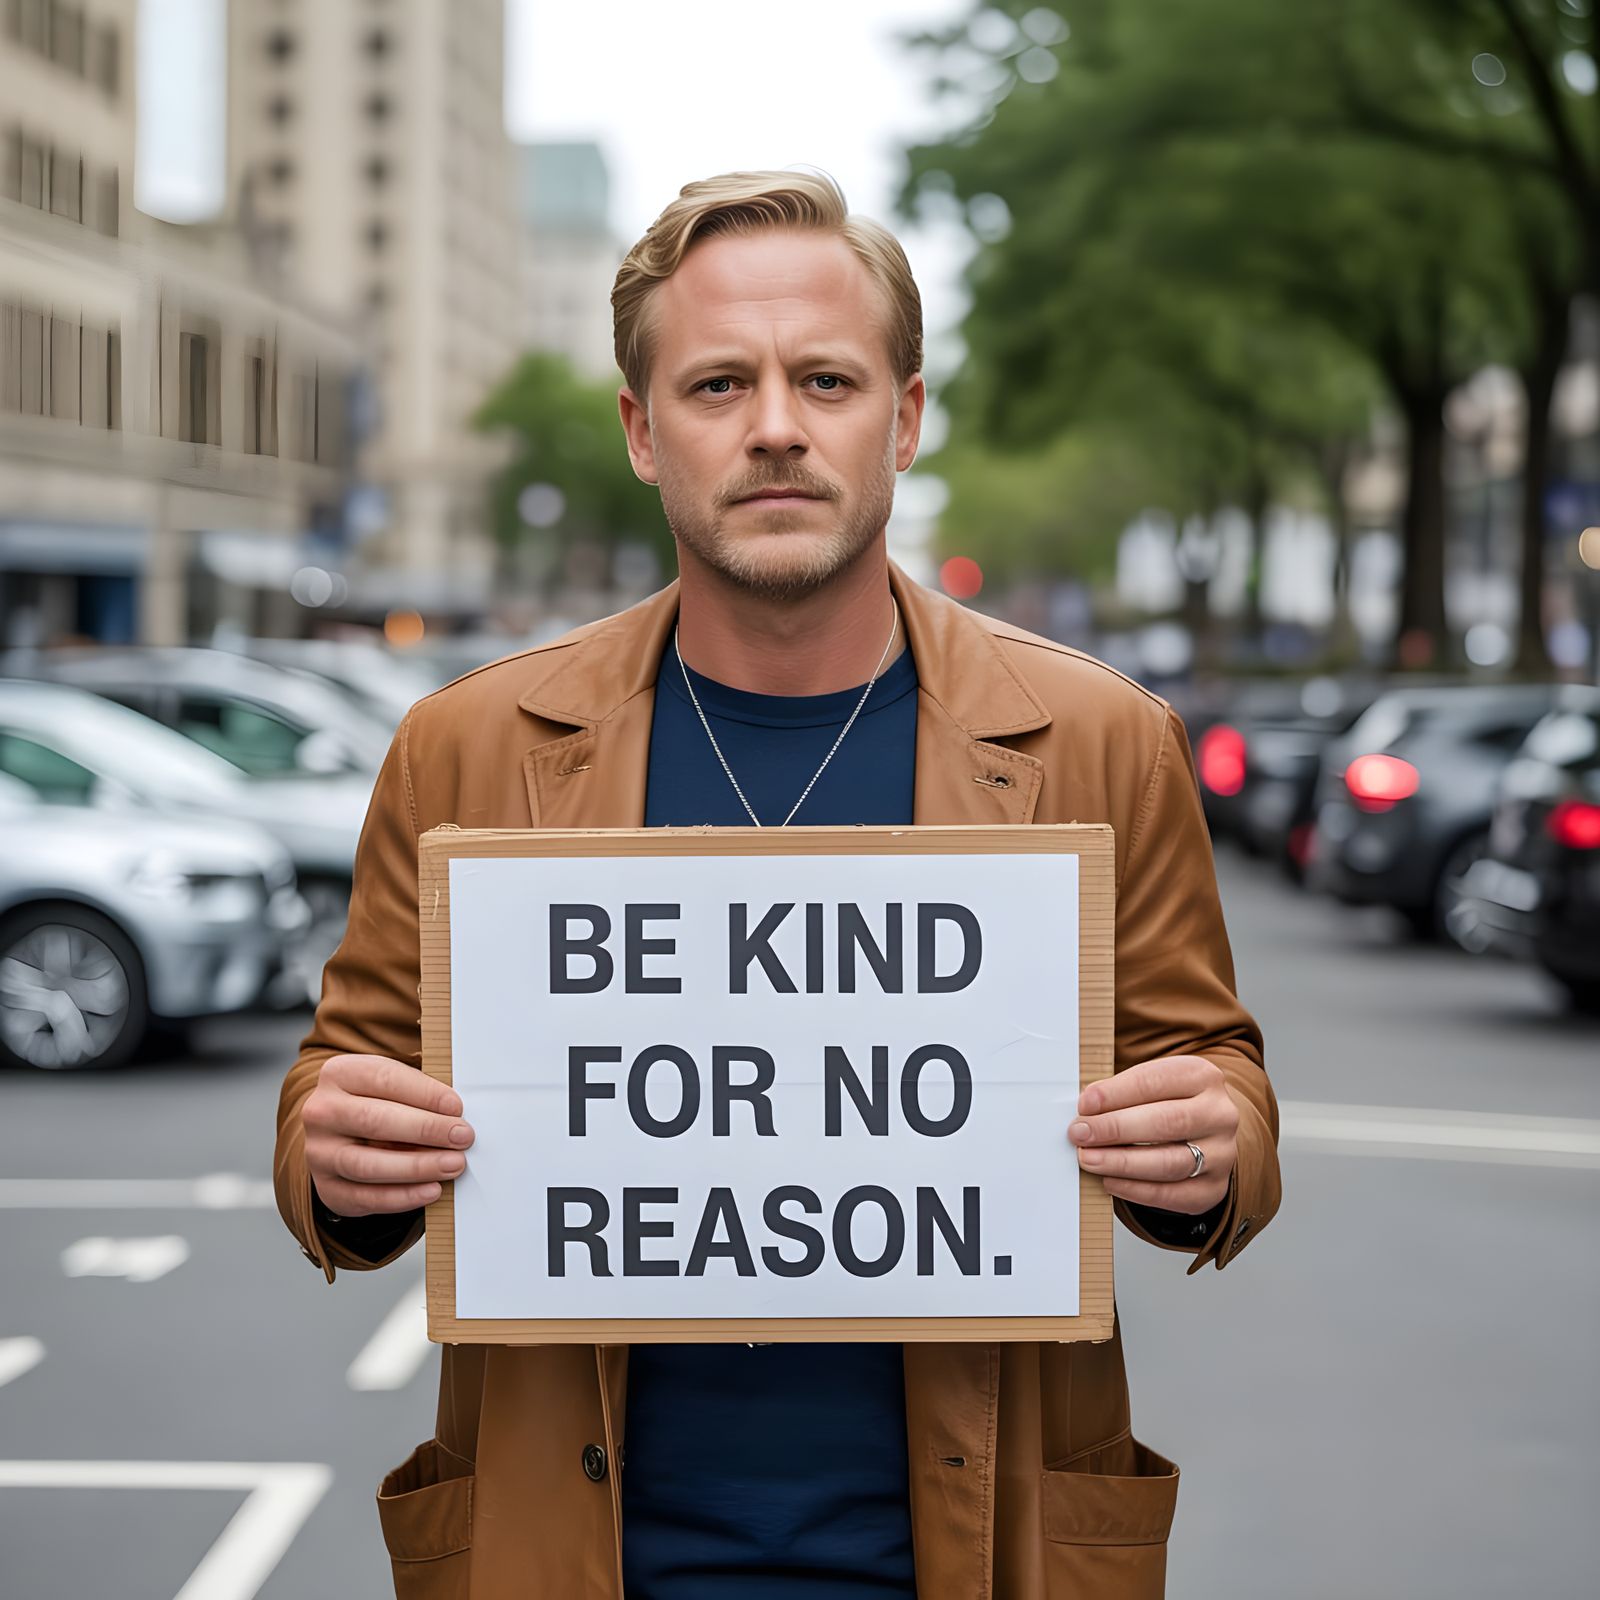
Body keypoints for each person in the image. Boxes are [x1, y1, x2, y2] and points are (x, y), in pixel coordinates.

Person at [274, 170, 1280, 1600]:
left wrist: (1210, 1143)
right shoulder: (469, 747)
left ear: (907, 416)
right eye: (716, 385)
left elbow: (1215, 1076)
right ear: (639, 431)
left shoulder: (1103, 741)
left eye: (825, 378)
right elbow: (338, 1092)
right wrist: (340, 1157)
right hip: (575, 1560)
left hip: (978, 1556)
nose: (776, 428)